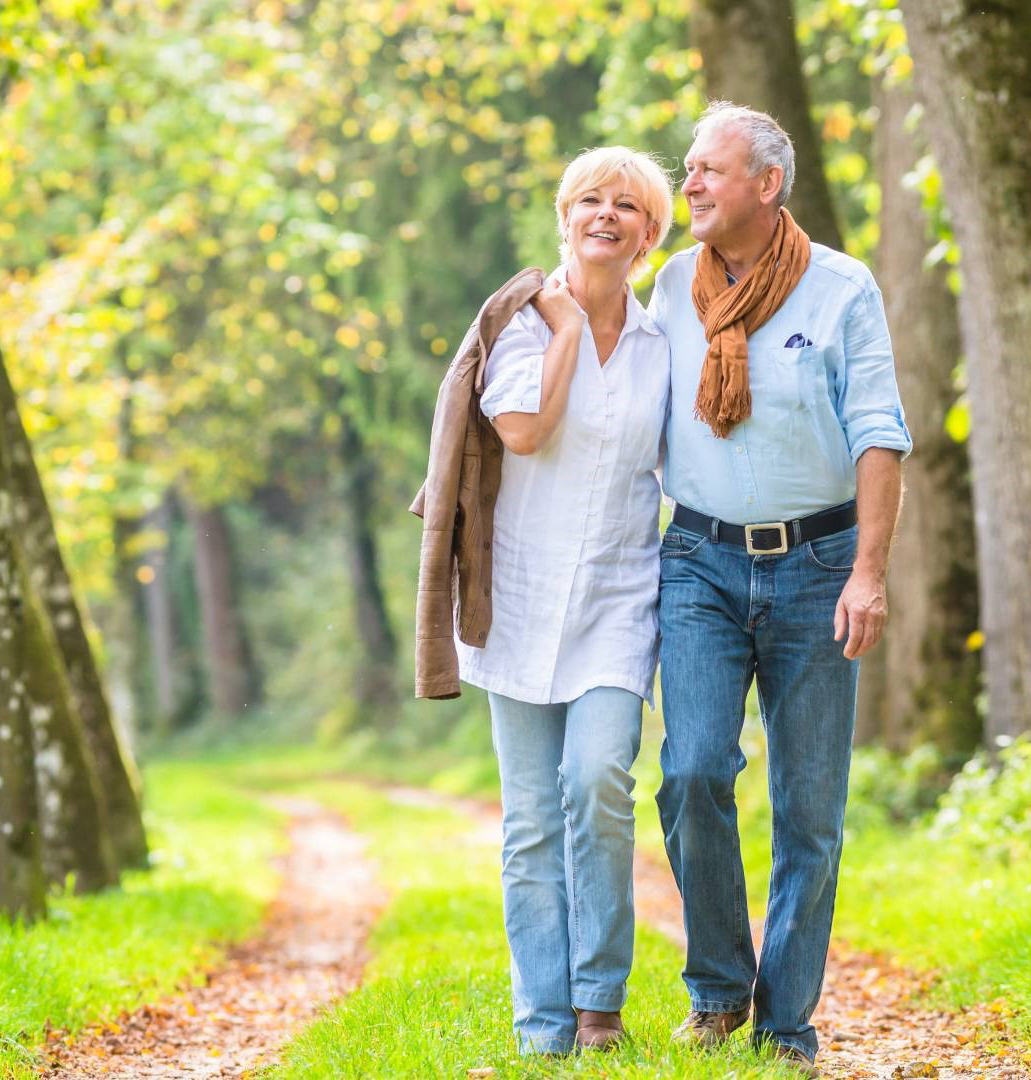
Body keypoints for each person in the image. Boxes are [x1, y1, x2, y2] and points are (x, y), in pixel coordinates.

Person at [648, 102, 911, 1076]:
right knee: (692, 772)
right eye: (688, 171)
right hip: (700, 564)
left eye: (710, 171)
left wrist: (868, 573)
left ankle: (785, 1025)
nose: (692, 187)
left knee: (810, 811)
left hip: (816, 569)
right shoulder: (669, 290)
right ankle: (718, 989)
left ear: (767, 183)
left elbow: (880, 432)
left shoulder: (843, 290)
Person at [452, 146, 674, 1056]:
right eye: (590, 200)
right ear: (564, 217)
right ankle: (543, 1027)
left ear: (651, 233)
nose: (607, 215)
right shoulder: (520, 329)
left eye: (627, 205)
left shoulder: (667, 343)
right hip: (520, 598)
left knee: (598, 782)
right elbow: (524, 431)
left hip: (621, 599)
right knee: (533, 820)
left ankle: (600, 1001)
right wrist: (569, 333)